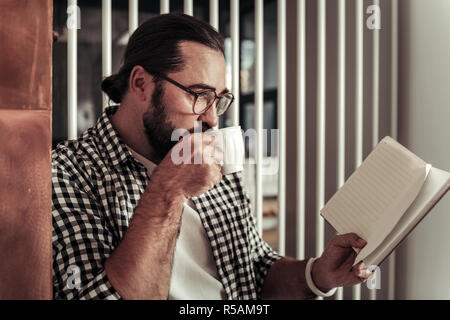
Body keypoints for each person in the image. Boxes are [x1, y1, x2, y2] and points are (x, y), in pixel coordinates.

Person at [52, 13, 371, 300]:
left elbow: (254, 270)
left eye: (218, 100)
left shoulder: (213, 161)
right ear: (140, 84)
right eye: (199, 95)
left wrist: (316, 275)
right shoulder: (65, 174)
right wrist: (169, 190)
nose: (212, 119)